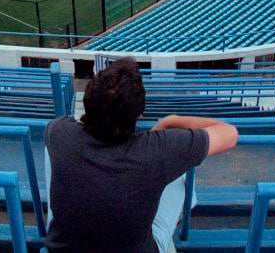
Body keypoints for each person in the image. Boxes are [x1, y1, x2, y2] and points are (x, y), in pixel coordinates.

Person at [43, 57, 239, 253]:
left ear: (87, 101)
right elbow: (230, 133)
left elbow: (79, 125)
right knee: (181, 171)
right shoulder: (157, 151)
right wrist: (172, 120)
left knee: (51, 152)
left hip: (63, 247)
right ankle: (186, 212)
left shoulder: (58, 131)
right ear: (138, 115)